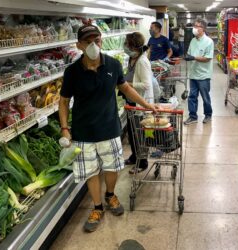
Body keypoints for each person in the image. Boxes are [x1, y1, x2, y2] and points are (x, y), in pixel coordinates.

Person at [59, 25, 157, 233]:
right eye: (88, 42)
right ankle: (97, 207)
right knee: (91, 172)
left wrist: (147, 105)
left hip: (110, 129)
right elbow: (63, 101)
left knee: (113, 168)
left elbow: (126, 88)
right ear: (79, 45)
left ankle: (110, 194)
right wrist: (65, 128)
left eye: (97, 40)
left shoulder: (112, 64)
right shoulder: (72, 72)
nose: (94, 45)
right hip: (83, 133)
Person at [121, 32, 154, 174]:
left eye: (127, 44)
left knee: (140, 134)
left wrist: (128, 84)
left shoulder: (142, 61)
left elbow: (146, 85)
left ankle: (142, 162)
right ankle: (134, 157)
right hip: (131, 102)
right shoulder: (132, 58)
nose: (125, 46)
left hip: (140, 103)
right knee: (132, 133)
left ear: (133, 46)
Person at [183, 18, 214, 125]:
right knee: (192, 97)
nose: (194, 28)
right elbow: (189, 54)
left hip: (203, 75)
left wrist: (193, 58)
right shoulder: (193, 40)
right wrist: (187, 57)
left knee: (205, 97)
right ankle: (193, 116)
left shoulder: (209, 42)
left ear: (203, 28)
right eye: (194, 26)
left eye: (196, 26)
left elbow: (208, 58)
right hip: (193, 74)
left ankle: (208, 115)